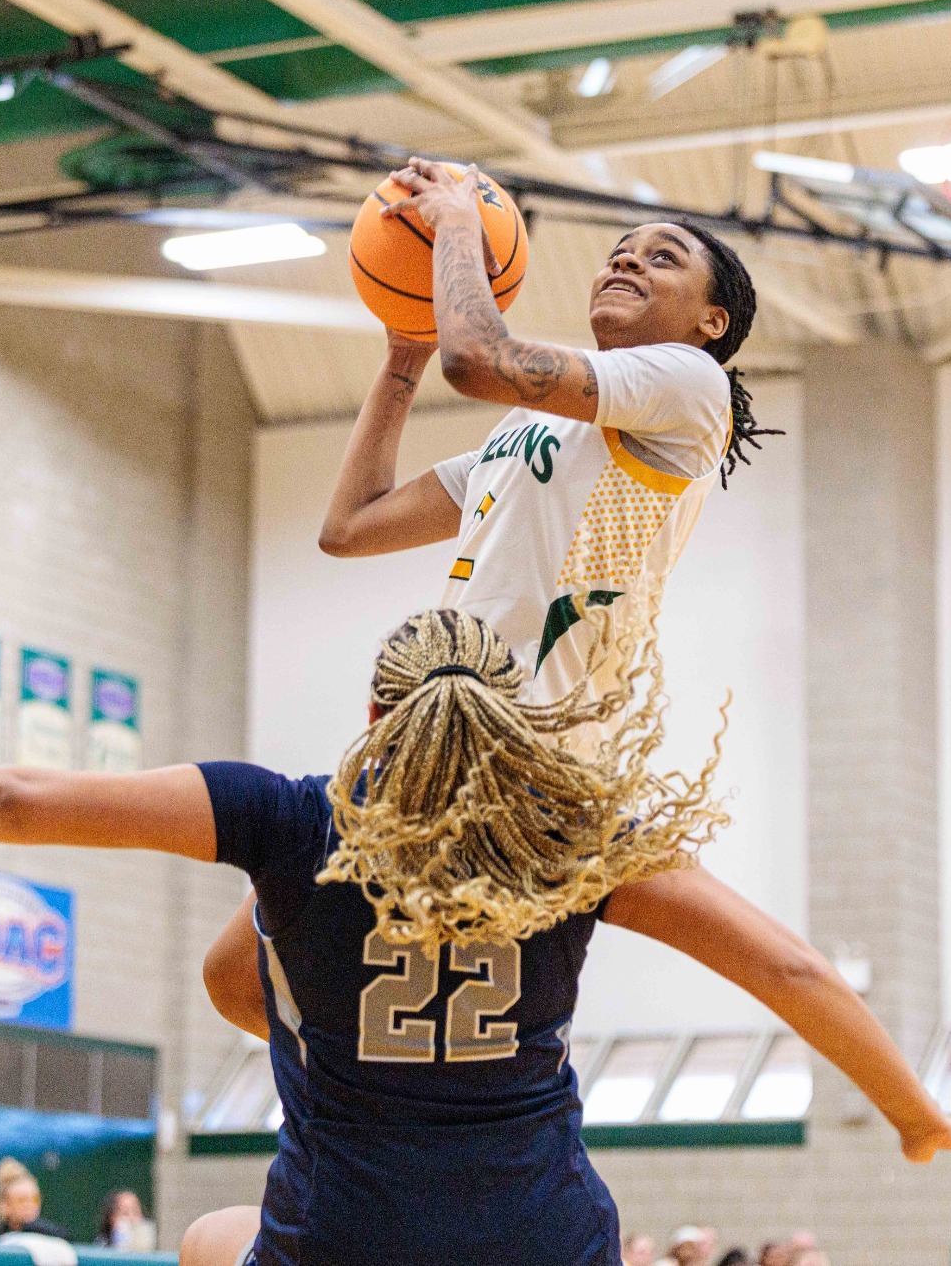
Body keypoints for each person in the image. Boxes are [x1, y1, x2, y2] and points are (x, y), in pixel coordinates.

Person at [0, 609, 951, 1266]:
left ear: (369, 713)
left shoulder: (288, 819)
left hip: (347, 1233)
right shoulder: (576, 845)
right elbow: (789, 966)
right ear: (512, 727)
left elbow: (14, 800)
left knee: (204, 1239)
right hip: (541, 1239)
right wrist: (910, 1112)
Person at [205, 154, 779, 1068]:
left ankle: (437, 1124)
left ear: (712, 323)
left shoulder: (688, 387)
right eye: (618, 252)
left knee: (497, 1020)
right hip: (430, 734)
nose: (625, 262)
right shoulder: (530, 430)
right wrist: (403, 351)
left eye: (661, 258)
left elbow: (479, 359)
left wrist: (461, 220)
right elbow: (349, 527)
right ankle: (398, 1104)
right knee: (234, 978)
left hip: (530, 759)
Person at [0, 1172, 68, 1240]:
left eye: (35, 1199)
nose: (29, 1205)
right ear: (4, 1205)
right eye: (22, 1200)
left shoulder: (54, 1236)